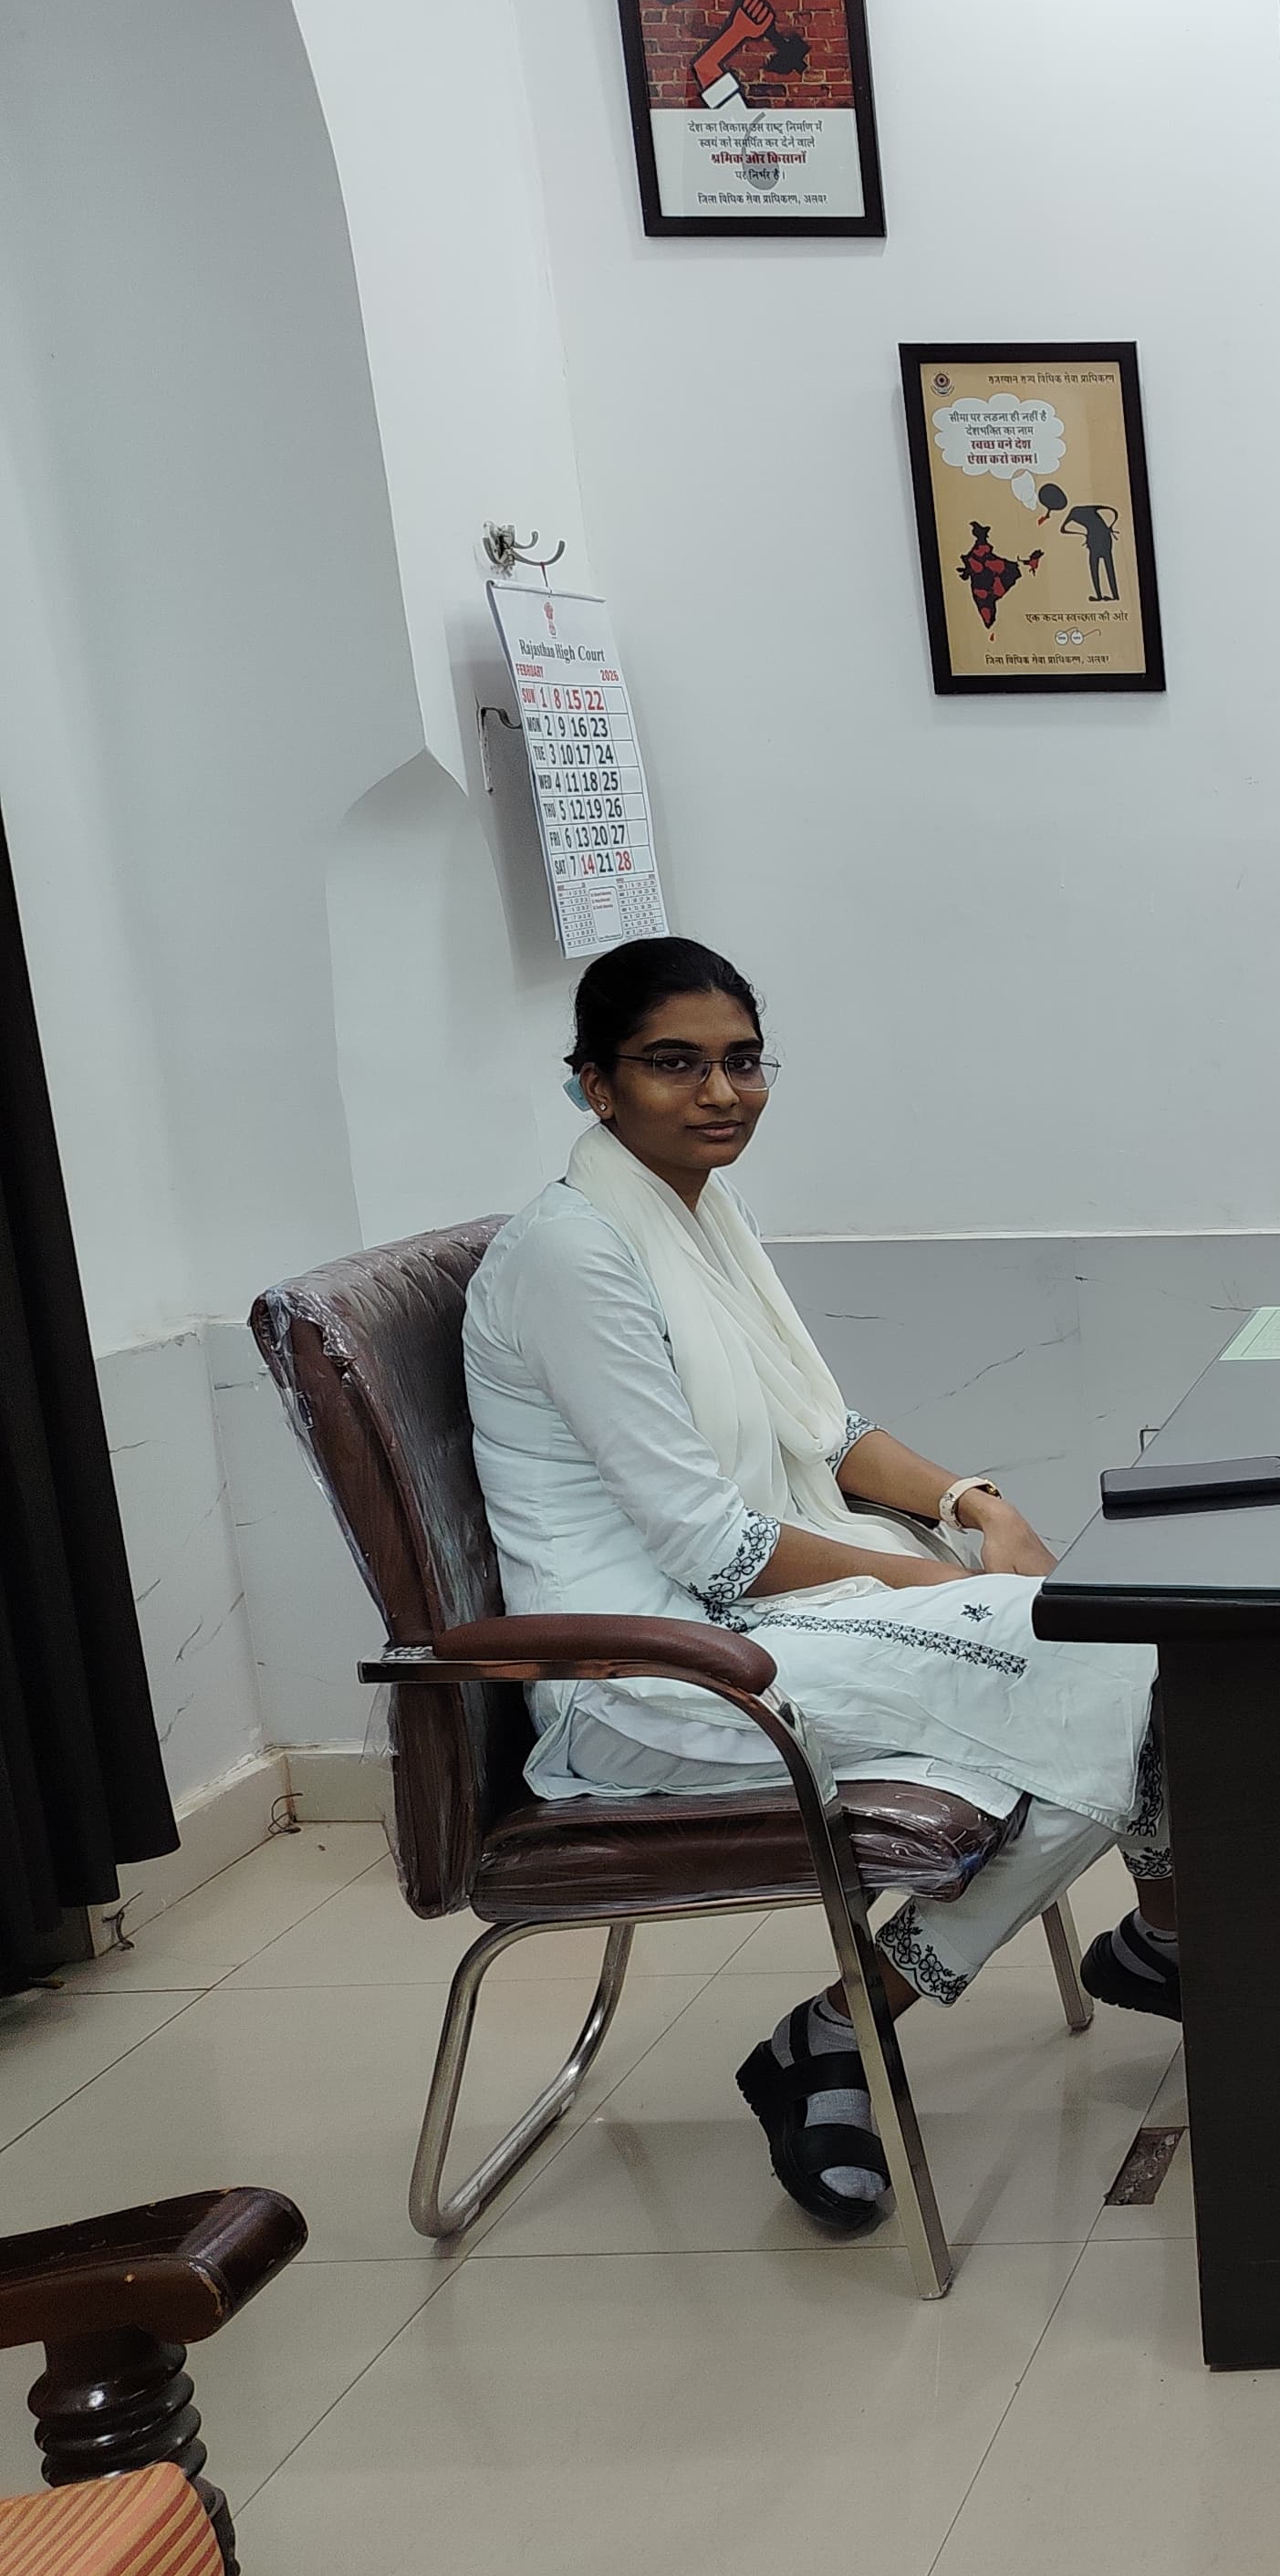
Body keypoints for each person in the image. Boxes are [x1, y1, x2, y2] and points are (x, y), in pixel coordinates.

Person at [463, 937, 1185, 2235]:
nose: (719, 1092)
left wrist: (979, 1509)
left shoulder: (701, 1217)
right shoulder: (574, 1254)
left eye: (742, 1061)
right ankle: (865, 2024)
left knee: (1128, 1652)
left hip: (760, 1627)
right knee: (1122, 1665)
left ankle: (1134, 1948)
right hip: (660, 1672)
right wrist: (931, 1585)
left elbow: (825, 1435)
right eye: (673, 1063)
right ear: (595, 1084)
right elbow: (712, 1544)